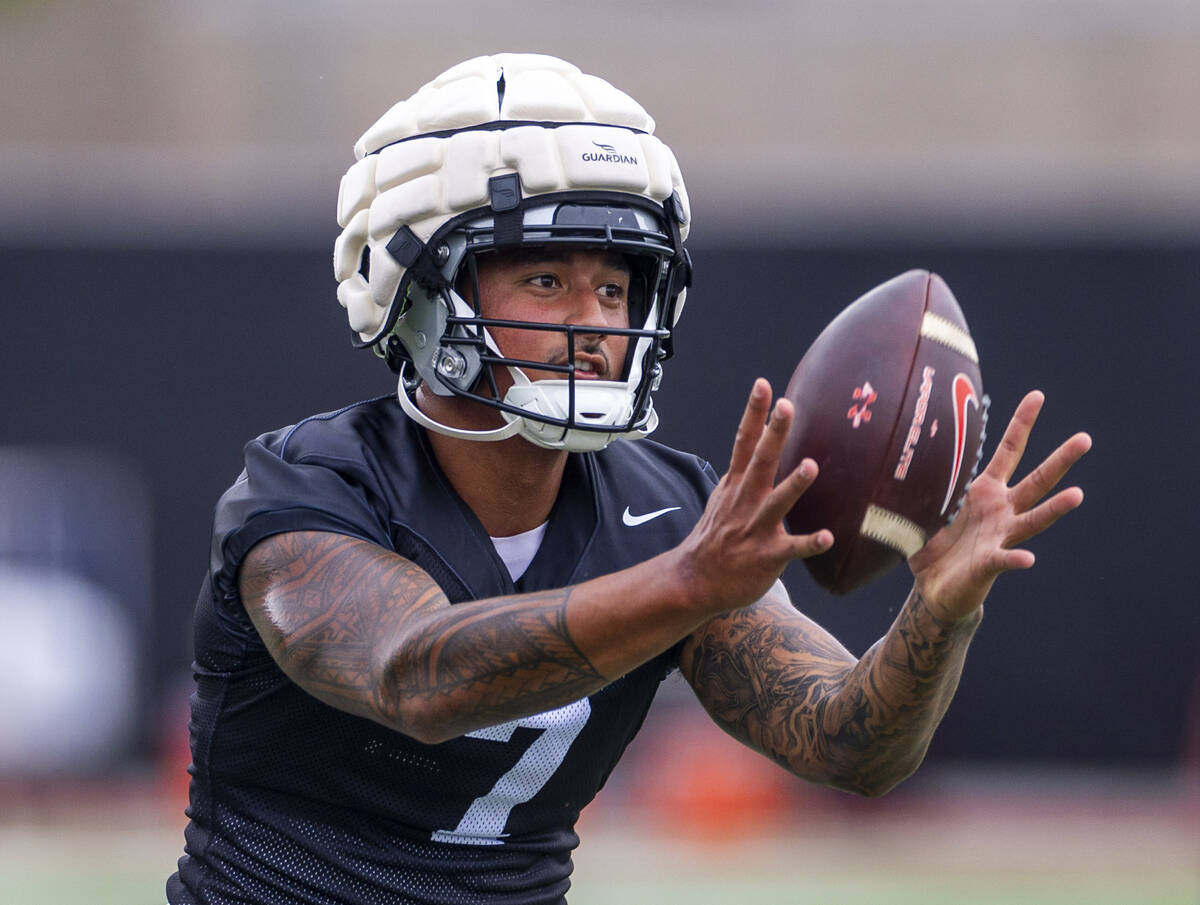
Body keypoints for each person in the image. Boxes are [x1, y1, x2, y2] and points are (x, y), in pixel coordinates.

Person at [166, 53, 1090, 905]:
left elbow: (848, 742)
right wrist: (686, 584)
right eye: (543, 280)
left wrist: (940, 611)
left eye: (616, 287)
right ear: (414, 286)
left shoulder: (671, 514)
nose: (597, 322)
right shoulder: (309, 489)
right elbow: (418, 677)